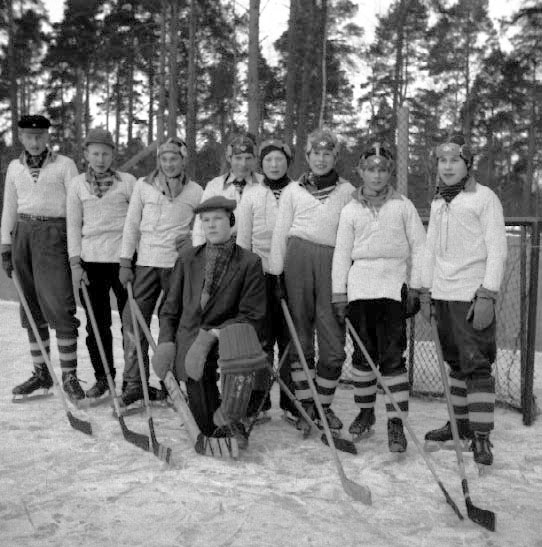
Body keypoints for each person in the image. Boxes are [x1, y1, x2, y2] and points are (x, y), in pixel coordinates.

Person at [331, 142, 426, 453]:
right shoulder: (350, 209)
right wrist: (339, 293)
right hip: (360, 291)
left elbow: (420, 247)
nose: (376, 175)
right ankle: (365, 412)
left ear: (390, 172)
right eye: (370, 169)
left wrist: (416, 286)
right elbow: (342, 254)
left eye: (382, 169)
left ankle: (395, 423)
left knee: (391, 358)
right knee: (363, 358)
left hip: (392, 288)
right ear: (361, 171)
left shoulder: (403, 206)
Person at [152, 196, 267, 450]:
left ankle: (230, 417)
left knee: (233, 355)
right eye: (205, 220)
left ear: (231, 221)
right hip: (189, 338)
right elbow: (170, 309)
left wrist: (213, 334)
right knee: (206, 427)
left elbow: (253, 315)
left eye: (218, 219)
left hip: (225, 338)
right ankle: (212, 420)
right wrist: (166, 342)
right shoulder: (187, 259)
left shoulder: (249, 263)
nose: (211, 225)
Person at [421, 134, 507, 467]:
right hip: (443, 294)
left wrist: (488, 293)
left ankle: (482, 437)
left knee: (477, 366)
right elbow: (429, 250)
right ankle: (459, 425)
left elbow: (497, 250)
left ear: (467, 164)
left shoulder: (484, 198)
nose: (447, 167)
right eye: (442, 161)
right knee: (456, 365)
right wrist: (425, 291)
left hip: (471, 296)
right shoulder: (439, 200)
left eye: (454, 161)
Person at [268, 128, 355, 433]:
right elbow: (280, 232)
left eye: (327, 153)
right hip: (298, 259)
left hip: (333, 262)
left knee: (332, 344)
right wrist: (276, 273)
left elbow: (353, 235)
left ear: (335, 156)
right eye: (315, 153)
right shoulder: (294, 190)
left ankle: (324, 405)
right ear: (306, 157)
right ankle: (307, 407)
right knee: (299, 336)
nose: (321, 159)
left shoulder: (347, 191)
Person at [0, 115, 82, 401]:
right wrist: (5, 246)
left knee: (59, 304)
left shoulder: (65, 165)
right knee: (30, 307)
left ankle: (70, 375)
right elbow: (9, 208)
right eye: (29, 136)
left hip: (53, 234)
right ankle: (42, 373)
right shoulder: (14, 167)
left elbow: (75, 209)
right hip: (23, 234)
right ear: (20, 137)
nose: (35, 142)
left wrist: (75, 250)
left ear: (48, 136)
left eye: (40, 136)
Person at [118, 137, 203, 406]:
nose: (169, 164)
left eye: (174, 158)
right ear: (159, 161)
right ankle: (135, 382)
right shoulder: (144, 186)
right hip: (146, 263)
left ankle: (173, 383)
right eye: (164, 159)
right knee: (133, 320)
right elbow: (131, 225)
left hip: (178, 267)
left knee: (174, 326)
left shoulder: (196, 191)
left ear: (184, 160)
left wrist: (192, 239)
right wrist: (124, 262)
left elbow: (202, 227)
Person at [66, 128, 136, 399]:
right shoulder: (77, 185)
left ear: (113, 155)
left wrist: (129, 259)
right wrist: (75, 264)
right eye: (95, 153)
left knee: (130, 325)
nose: (100, 158)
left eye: (106, 153)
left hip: (122, 261)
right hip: (90, 262)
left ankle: (133, 381)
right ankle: (103, 378)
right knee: (96, 325)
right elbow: (73, 226)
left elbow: (134, 223)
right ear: (86, 155)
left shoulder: (128, 182)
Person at [236, 139, 298, 420]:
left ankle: (291, 400)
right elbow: (243, 239)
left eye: (280, 160)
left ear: (288, 162)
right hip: (259, 276)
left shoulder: (297, 192)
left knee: (289, 339)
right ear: (261, 164)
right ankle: (259, 400)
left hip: (289, 275)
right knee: (261, 339)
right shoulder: (251, 195)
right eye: (269, 160)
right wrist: (245, 278)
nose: (274, 165)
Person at [192, 134, 263, 247]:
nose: (243, 164)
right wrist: (197, 253)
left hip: (256, 249)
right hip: (222, 249)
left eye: (248, 158)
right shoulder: (215, 186)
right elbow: (200, 226)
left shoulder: (263, 185)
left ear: (255, 159)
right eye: (238, 158)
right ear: (229, 158)